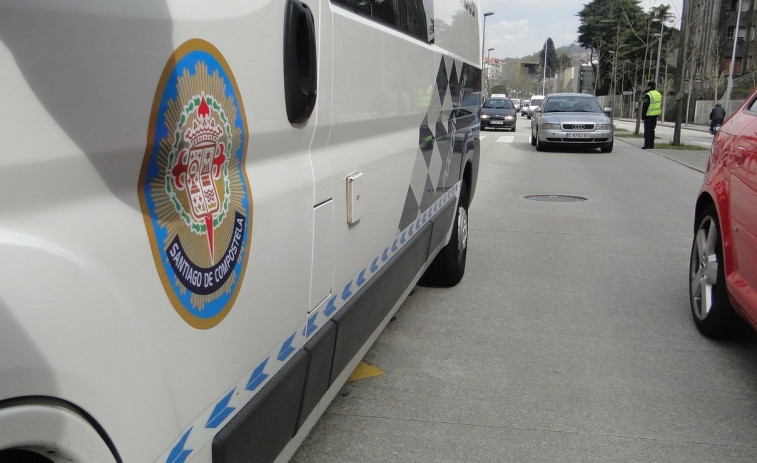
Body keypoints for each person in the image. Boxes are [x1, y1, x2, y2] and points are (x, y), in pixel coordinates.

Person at [641, 81, 662, 149]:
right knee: (652, 130)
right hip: (655, 115)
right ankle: (651, 145)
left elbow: (645, 106)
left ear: (649, 86)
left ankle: (647, 145)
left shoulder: (648, 95)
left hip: (648, 115)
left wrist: (643, 116)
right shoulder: (658, 94)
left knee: (647, 130)